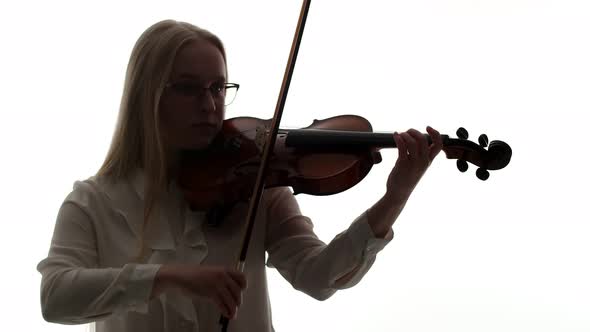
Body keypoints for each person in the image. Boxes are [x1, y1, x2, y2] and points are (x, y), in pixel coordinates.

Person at [37, 19, 443, 332]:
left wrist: (396, 196)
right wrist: (165, 278)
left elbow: (318, 277)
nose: (210, 105)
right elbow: (54, 297)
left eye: (217, 87)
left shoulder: (258, 186)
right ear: (148, 95)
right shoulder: (93, 202)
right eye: (188, 88)